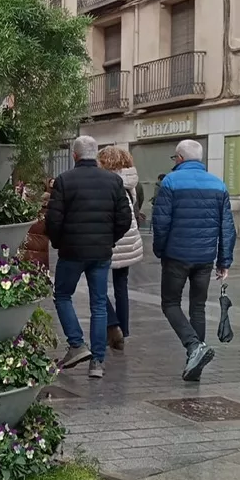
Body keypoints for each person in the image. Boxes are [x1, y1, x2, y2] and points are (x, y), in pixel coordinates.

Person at [45, 135, 133, 379]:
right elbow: (125, 218)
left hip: (72, 252)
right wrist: (109, 239)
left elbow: (53, 220)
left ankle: (76, 344)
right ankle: (97, 362)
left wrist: (59, 242)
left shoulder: (64, 181)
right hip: (101, 252)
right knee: (99, 303)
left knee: (62, 295)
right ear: (95, 155)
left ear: (75, 155)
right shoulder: (114, 181)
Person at [151, 139, 237, 381]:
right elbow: (227, 227)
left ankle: (193, 347)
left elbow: (161, 222)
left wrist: (160, 250)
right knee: (197, 307)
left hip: (176, 256)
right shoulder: (218, 184)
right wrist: (224, 261)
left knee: (170, 304)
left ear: (179, 158)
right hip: (205, 258)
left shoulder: (170, 182)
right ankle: (195, 363)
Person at [98, 146, 144, 350]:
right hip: (129, 237)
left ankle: (112, 323)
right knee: (121, 286)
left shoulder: (105, 181)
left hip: (110, 237)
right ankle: (123, 330)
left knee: (96, 283)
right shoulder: (131, 181)